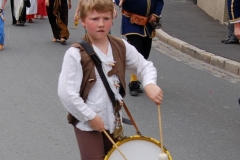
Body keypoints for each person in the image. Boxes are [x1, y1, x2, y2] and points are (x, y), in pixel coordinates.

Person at [57, 0, 163, 159]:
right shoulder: (75, 54)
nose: (101, 24)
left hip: (113, 119)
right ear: (83, 21)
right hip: (88, 123)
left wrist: (149, 84)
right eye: (95, 19)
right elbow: (66, 93)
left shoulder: (121, 46)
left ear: (112, 19)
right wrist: (90, 117)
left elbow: (144, 66)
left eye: (106, 19)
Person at [115, 0, 164, 96]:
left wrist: (155, 14)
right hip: (131, 22)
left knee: (145, 53)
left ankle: (137, 78)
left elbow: (159, 1)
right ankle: (133, 82)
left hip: (147, 24)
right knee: (136, 50)